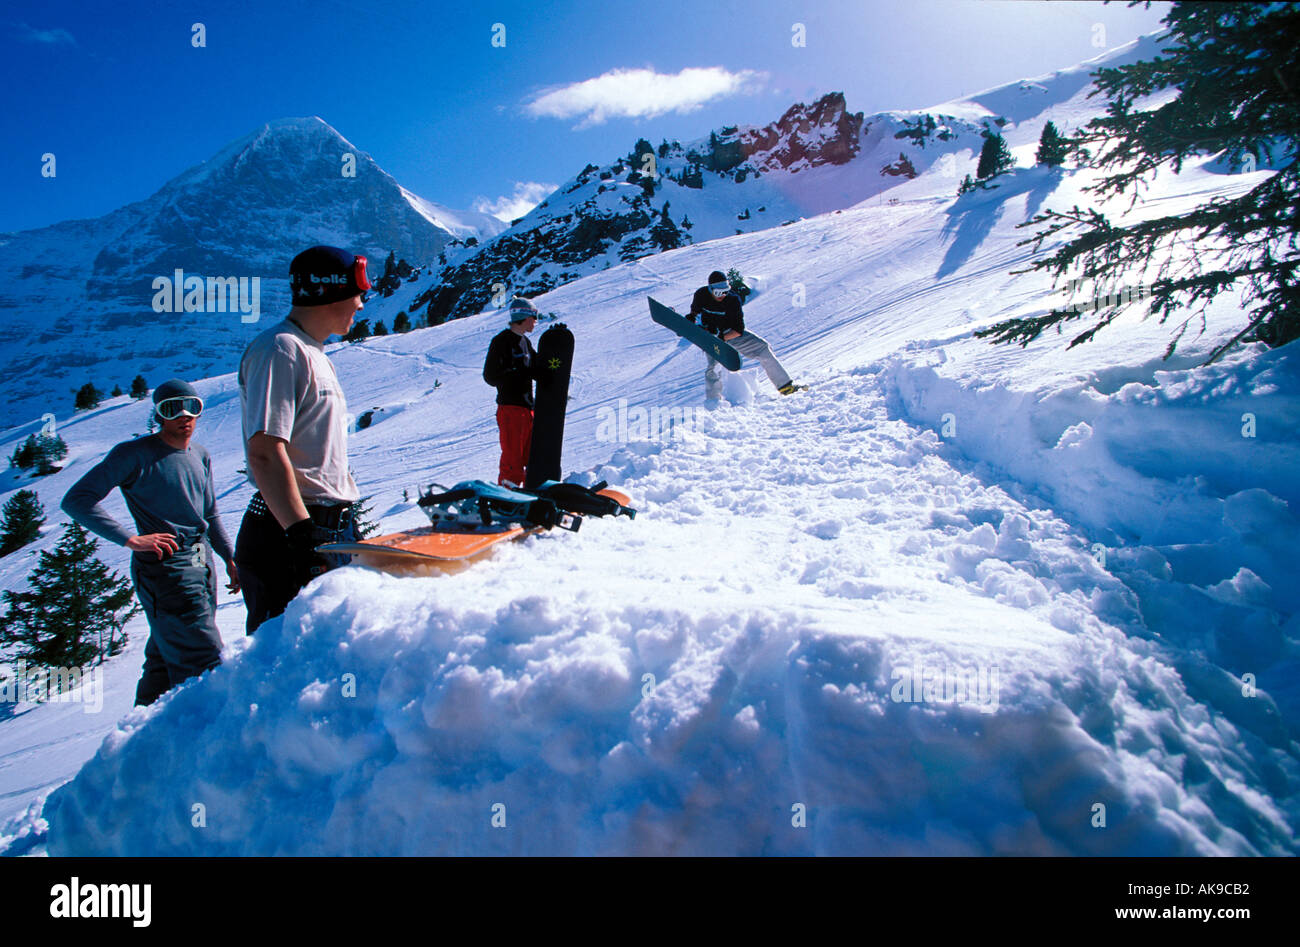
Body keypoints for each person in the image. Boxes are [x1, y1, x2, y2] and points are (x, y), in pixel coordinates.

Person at [61, 379, 236, 706]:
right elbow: (77, 500)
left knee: (164, 658)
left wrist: (229, 558)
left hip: (203, 561)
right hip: (167, 569)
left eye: (192, 407)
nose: (184, 416)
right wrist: (130, 539)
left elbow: (209, 514)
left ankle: (140, 742)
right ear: (159, 415)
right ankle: (209, 742)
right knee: (204, 660)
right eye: (172, 409)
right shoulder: (133, 455)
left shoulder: (200, 454)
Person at [234, 245, 366, 635]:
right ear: (330, 291)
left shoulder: (314, 352)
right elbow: (265, 452)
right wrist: (301, 536)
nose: (361, 304)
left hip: (324, 527)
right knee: (284, 660)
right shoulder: (281, 349)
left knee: (325, 652)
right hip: (290, 531)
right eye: (358, 292)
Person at [688, 270, 802, 399]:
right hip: (711, 336)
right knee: (714, 367)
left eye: (725, 291)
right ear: (710, 289)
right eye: (718, 292)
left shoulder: (732, 300)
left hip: (730, 334)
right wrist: (691, 319)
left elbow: (738, 330)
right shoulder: (701, 295)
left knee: (762, 348)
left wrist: (722, 338)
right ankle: (714, 400)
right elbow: (695, 312)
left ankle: (785, 386)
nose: (722, 295)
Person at [483, 296, 540, 486]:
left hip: (527, 409)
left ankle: (527, 499)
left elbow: (538, 369)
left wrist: (556, 357)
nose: (536, 322)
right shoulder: (501, 342)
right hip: (510, 409)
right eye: (535, 317)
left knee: (530, 458)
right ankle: (507, 502)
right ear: (525, 317)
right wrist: (515, 373)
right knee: (513, 461)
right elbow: (490, 376)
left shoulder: (526, 343)